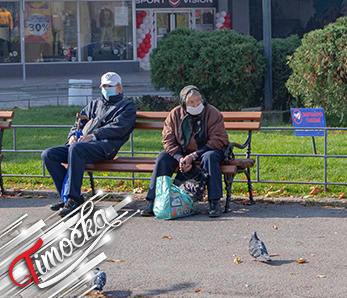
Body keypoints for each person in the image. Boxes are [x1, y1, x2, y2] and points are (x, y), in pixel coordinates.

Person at [42, 72, 136, 216]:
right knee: (48, 154)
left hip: (106, 147)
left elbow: (119, 128)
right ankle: (67, 197)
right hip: (81, 146)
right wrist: (73, 135)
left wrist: (94, 136)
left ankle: (73, 199)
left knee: (76, 149)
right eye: (104, 86)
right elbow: (79, 123)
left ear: (119, 88)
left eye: (110, 86)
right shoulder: (95, 104)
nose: (106, 89)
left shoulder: (127, 106)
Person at [141, 85, 229, 218]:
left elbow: (218, 140)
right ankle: (153, 201)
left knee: (210, 157)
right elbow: (168, 140)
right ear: (183, 103)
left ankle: (214, 202)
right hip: (182, 152)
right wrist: (180, 158)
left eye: (198, 100)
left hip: (207, 150)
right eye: (191, 102)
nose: (196, 104)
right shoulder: (175, 114)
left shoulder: (212, 112)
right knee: (162, 157)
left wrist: (194, 155)